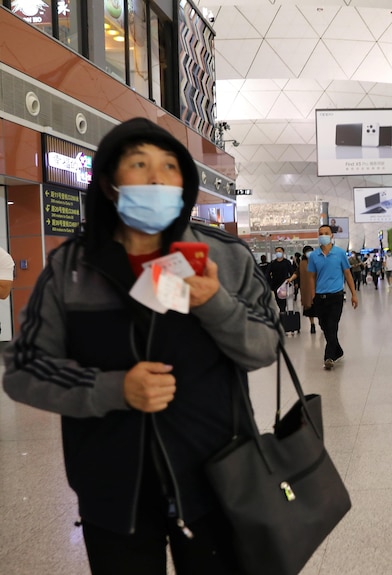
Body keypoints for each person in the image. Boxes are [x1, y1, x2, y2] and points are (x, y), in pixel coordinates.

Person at [2, 117, 281, 574]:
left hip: (219, 479)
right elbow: (25, 368)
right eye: (139, 163)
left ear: (185, 182)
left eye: (170, 166)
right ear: (111, 182)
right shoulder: (74, 266)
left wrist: (215, 304)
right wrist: (113, 388)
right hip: (114, 490)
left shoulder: (225, 257)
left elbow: (264, 347)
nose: (156, 177)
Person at [306, 224, 358, 369]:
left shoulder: (340, 253)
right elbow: (311, 277)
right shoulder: (314, 256)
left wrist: (354, 294)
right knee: (324, 326)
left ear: (331, 236)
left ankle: (329, 357)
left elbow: (348, 274)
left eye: (326, 233)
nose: (323, 235)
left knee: (332, 325)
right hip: (320, 297)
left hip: (336, 296)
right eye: (321, 233)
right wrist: (312, 295)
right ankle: (338, 351)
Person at [267, 246, 294, 314]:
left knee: (284, 300)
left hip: (285, 284)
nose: (278, 253)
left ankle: (283, 311)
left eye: (279, 251)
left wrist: (293, 281)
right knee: (278, 299)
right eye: (277, 252)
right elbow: (267, 273)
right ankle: (282, 310)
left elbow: (292, 272)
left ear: (283, 252)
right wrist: (270, 283)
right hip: (276, 284)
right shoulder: (272, 263)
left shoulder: (287, 262)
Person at [298, 245, 317, 333]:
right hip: (307, 289)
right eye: (307, 251)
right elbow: (297, 273)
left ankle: (321, 323)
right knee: (309, 308)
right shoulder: (302, 263)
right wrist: (290, 279)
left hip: (318, 288)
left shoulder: (317, 261)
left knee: (320, 307)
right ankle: (312, 324)